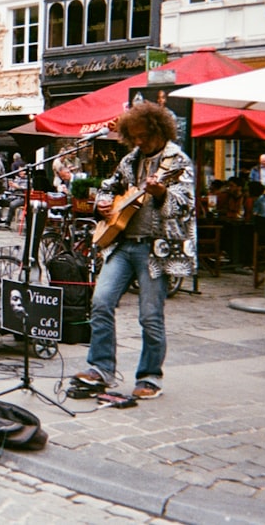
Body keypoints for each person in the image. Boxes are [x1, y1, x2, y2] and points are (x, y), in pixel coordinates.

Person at [73, 101, 195, 400]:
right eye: (134, 136)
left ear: (158, 130)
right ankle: (100, 369)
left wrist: (162, 192)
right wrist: (102, 203)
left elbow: (186, 203)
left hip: (156, 249)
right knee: (101, 301)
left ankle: (150, 376)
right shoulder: (130, 160)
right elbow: (108, 186)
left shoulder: (177, 161)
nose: (139, 141)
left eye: (144, 135)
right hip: (124, 243)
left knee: (150, 315)